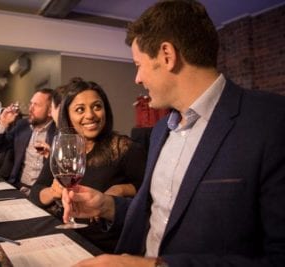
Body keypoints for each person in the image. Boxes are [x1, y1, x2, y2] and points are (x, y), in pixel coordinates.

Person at [61, 1, 285, 266]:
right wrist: (106, 206)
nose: (137, 78)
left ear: (167, 55)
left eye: (138, 64)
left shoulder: (272, 121)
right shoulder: (160, 131)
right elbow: (160, 214)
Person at [29, 78, 146, 253]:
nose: (90, 115)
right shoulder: (62, 147)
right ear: (67, 115)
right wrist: (53, 192)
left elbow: (149, 193)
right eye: (80, 109)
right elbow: (36, 191)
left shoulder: (124, 148)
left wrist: (122, 190)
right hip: (61, 236)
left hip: (100, 246)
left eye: (97, 107)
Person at [0, 88, 56, 195]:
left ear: (50, 111)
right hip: (18, 187)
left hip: (43, 193)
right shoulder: (22, 125)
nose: (30, 109)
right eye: (31, 104)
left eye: (36, 105)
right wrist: (3, 123)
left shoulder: (58, 132)